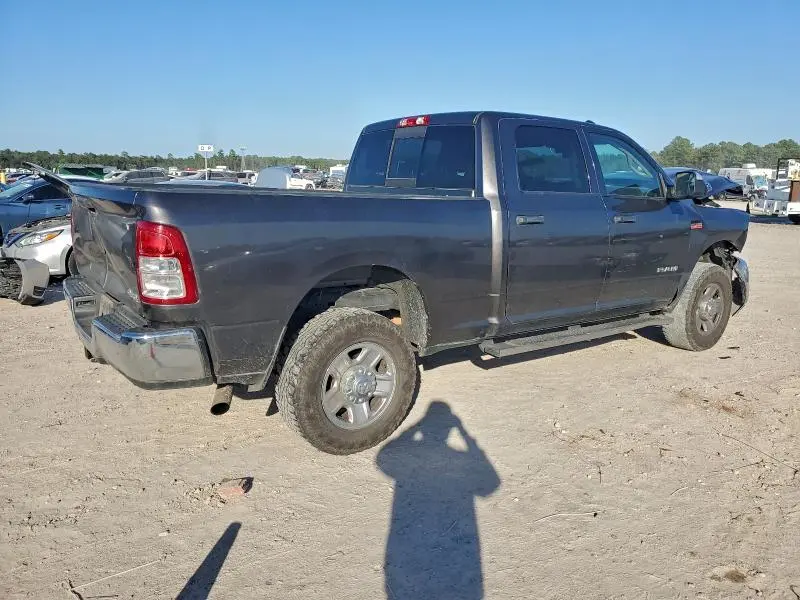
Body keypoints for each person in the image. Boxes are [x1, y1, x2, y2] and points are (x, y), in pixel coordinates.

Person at [377, 401, 500, 600]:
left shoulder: (416, 454)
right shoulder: (461, 459)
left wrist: (417, 426)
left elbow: (382, 458)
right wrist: (468, 437)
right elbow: (491, 484)